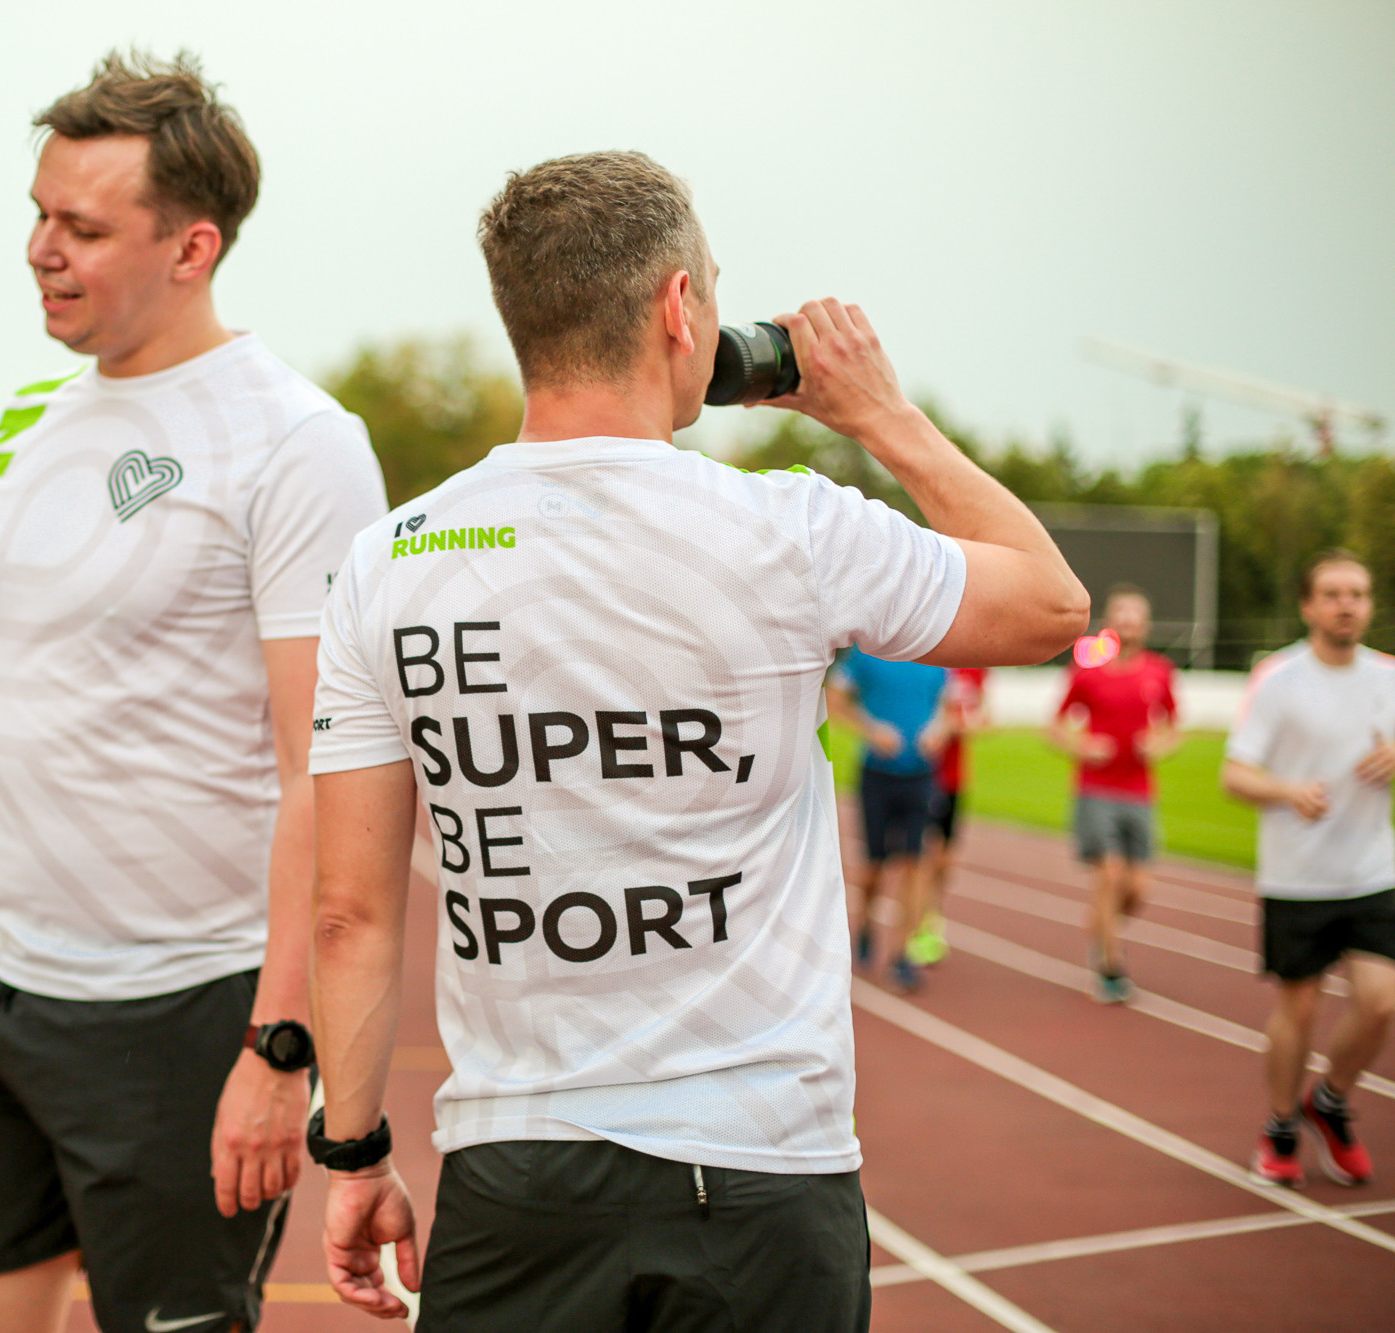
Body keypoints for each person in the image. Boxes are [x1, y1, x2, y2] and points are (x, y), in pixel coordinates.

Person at [304, 151, 1086, 1330]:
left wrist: (356, 1151)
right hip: (759, 1166)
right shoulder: (789, 527)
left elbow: (348, 914)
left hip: (516, 1169)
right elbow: (1050, 606)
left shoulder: (386, 561)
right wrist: (880, 414)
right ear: (680, 308)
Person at [0, 51, 387, 1333]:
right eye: (38, 215)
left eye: (82, 228)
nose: (41, 249)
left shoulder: (296, 444)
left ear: (192, 247)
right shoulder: (21, 429)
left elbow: (321, 770)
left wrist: (280, 1049)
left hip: (183, 1017)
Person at [1223, 551, 1395, 1189]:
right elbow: (1234, 774)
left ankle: (1330, 1099)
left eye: (1358, 594)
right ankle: (1280, 1127)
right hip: (1297, 875)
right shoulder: (1279, 679)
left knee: (1381, 1002)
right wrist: (1288, 791)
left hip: (1373, 868)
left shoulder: (1388, 677)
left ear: (1370, 605)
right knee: (1298, 1009)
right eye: (1332, 594)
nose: (1347, 605)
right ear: (1307, 606)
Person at [1049, 585, 1180, 1003]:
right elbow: (1054, 727)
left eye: (1135, 614)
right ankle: (1110, 967)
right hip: (1097, 789)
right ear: (1110, 621)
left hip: (1140, 791)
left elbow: (1174, 727)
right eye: (1121, 613)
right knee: (1108, 875)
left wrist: (1159, 746)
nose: (1128, 621)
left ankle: (1101, 924)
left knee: (1138, 888)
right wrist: (1082, 746)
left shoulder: (1160, 671)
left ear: (1147, 624)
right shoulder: (1087, 673)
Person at [825, 650, 948, 991]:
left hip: (922, 775)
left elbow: (949, 708)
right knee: (874, 867)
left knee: (916, 862)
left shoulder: (936, 655)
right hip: (877, 776)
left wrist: (939, 729)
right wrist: (871, 730)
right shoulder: (866, 655)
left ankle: (903, 954)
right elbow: (835, 700)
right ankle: (866, 923)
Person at [915, 666, 988, 966]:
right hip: (919, 772)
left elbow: (984, 718)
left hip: (954, 777)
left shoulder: (976, 669)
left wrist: (958, 727)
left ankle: (932, 917)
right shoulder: (921, 660)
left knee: (944, 860)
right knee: (923, 855)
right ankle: (920, 927)